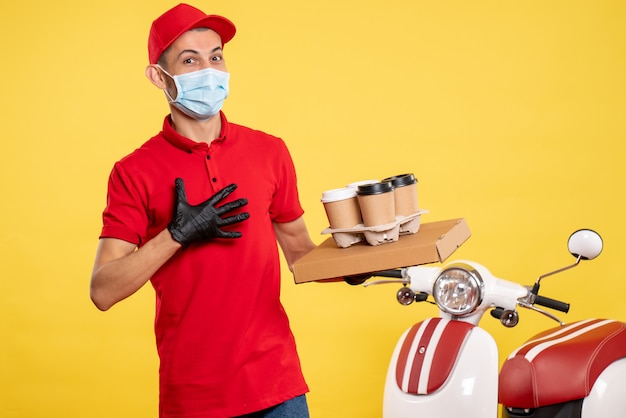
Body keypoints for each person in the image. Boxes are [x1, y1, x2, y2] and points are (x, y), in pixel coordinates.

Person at [90, 3, 318, 417]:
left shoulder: (269, 151)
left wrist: (360, 263)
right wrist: (175, 236)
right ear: (158, 77)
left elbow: (302, 254)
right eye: (190, 60)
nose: (208, 71)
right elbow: (103, 290)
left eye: (215, 57)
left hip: (277, 387)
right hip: (194, 396)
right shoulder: (133, 171)